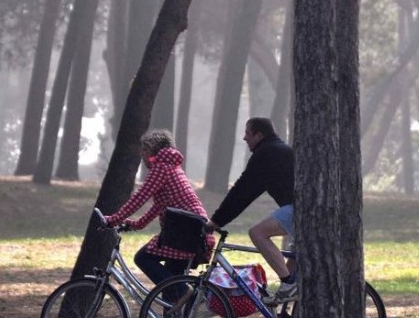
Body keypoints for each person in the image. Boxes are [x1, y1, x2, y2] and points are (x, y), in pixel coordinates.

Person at [105, 129, 215, 289]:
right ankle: (181, 304)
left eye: (144, 149)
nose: (142, 154)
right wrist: (137, 224)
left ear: (152, 149)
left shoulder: (161, 168)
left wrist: (113, 219)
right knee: (170, 286)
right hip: (193, 230)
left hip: (183, 230)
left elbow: (139, 197)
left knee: (143, 258)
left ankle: (184, 292)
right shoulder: (172, 167)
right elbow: (160, 205)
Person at [205, 117, 296, 304]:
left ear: (259, 135)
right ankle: (287, 313)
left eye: (248, 133)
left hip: (298, 208)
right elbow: (246, 192)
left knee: (257, 233)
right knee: (294, 258)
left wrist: (216, 222)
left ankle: (288, 282)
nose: (244, 138)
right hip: (302, 208)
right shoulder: (277, 150)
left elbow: (242, 192)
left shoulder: (266, 153)